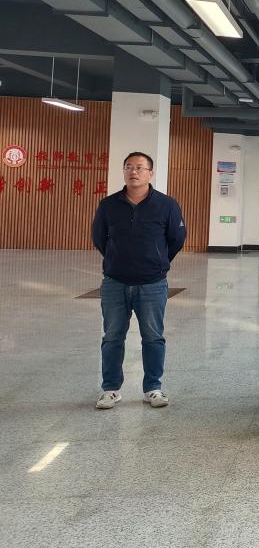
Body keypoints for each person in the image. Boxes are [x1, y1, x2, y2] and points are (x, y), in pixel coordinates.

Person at [91, 152, 186, 410]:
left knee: (153, 337)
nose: (134, 172)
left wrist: (158, 261)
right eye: (129, 167)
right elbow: (99, 237)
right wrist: (117, 259)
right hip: (115, 282)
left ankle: (153, 388)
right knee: (112, 336)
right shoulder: (108, 205)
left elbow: (177, 238)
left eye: (140, 168)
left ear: (150, 173)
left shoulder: (166, 204)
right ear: (124, 171)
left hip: (152, 283)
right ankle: (110, 389)